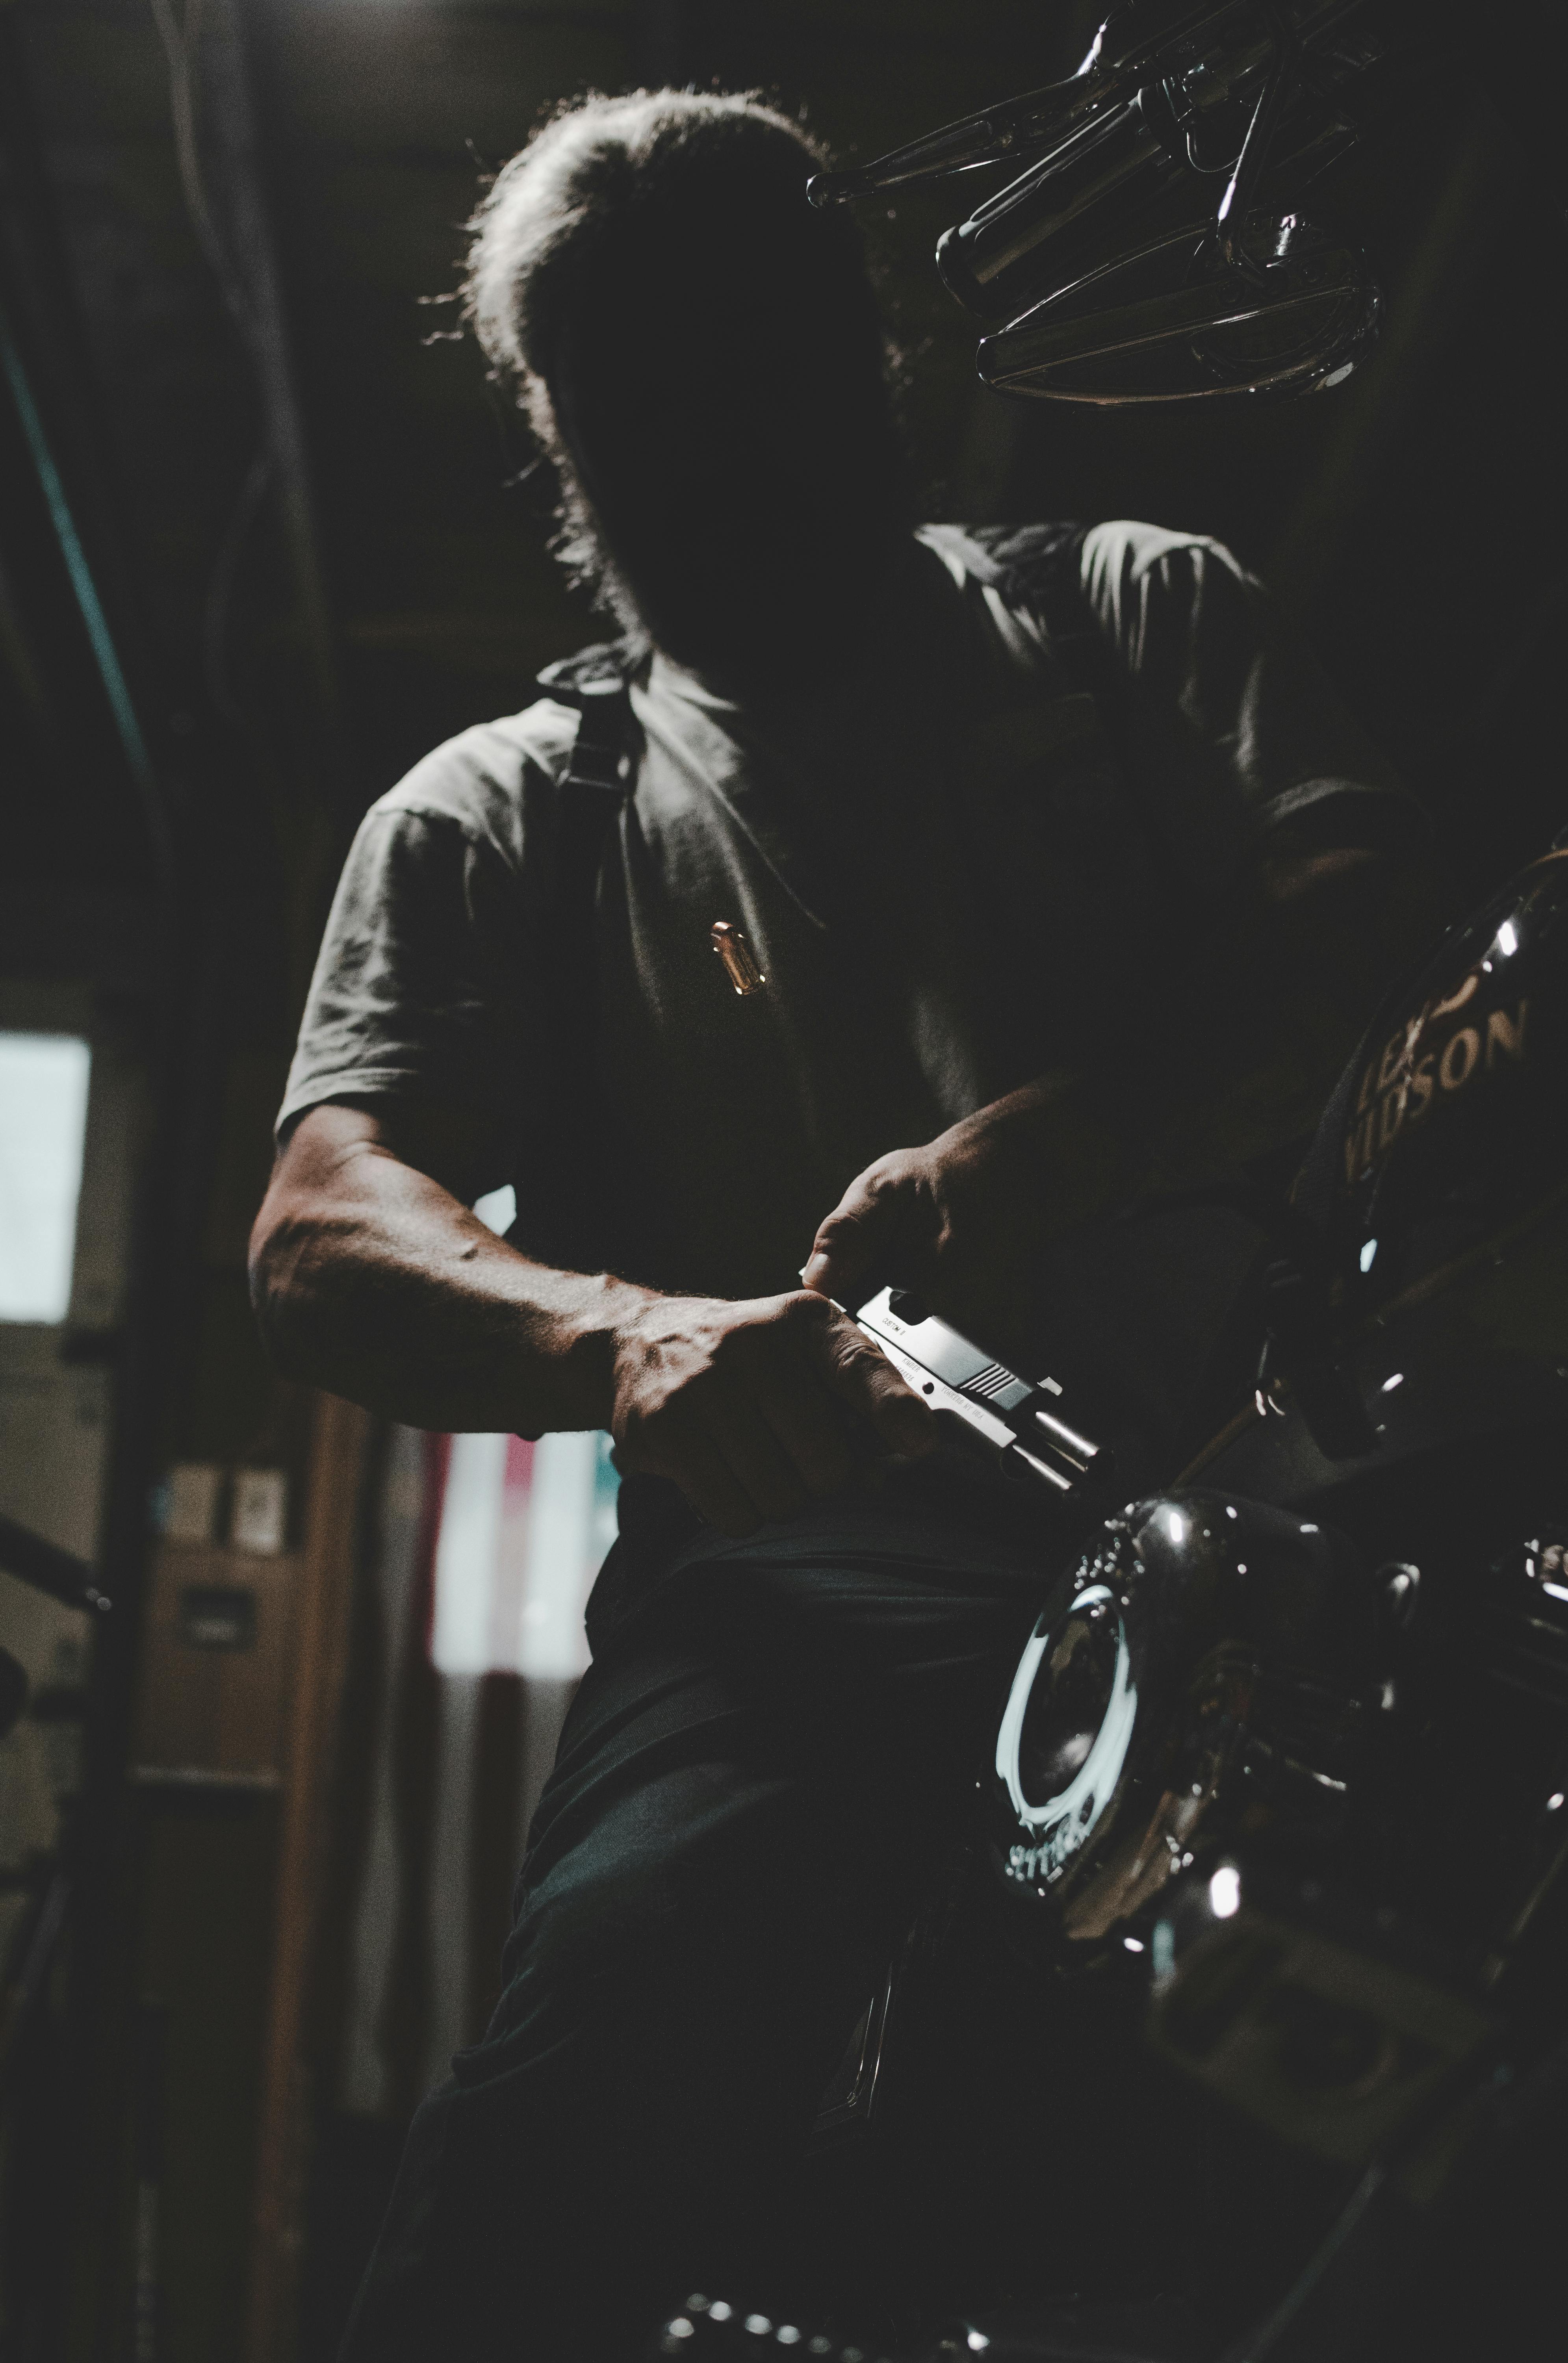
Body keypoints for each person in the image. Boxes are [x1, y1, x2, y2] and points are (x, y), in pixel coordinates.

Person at [250, 88, 1436, 2363]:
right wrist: (635, 1345)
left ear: (862, 349)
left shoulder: (1126, 620)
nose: (699, 435)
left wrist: (1047, 1154)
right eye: (624, 385)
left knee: (1350, 2180)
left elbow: (1370, 932)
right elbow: (319, 1232)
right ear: (554, 423)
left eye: (749, 355)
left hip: (1284, 1520)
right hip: (794, 1583)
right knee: (573, 2130)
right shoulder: (508, 811)